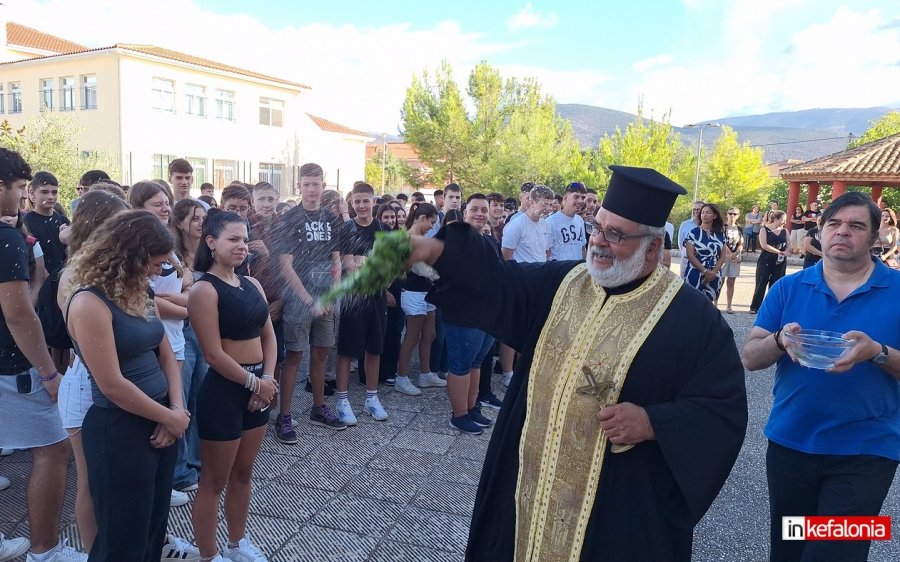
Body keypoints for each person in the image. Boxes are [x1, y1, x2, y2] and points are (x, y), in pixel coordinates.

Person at [406, 165, 747, 561]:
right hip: (529, 485)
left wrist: (655, 423)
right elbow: (500, 285)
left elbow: (722, 410)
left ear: (653, 247)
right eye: (598, 228)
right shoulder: (565, 282)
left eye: (616, 235)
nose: (598, 242)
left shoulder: (692, 319)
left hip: (613, 505)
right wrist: (438, 251)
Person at [742, 192, 900, 562]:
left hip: (868, 450)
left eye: (857, 226)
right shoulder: (788, 289)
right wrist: (781, 340)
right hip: (791, 444)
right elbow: (750, 357)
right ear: (821, 229)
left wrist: (876, 352)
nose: (843, 232)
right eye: (834, 224)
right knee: (790, 550)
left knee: (836, 553)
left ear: (876, 237)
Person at [66, 210, 191, 562]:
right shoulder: (89, 302)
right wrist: (168, 416)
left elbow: (165, 353)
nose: (159, 270)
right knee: (122, 539)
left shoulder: (139, 290)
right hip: (119, 429)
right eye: (155, 262)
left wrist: (176, 409)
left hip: (162, 418)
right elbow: (112, 384)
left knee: (152, 529)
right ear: (130, 255)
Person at [0, 149, 86, 562]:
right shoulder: (6, 237)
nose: (21, 197)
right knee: (54, 449)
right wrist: (50, 374)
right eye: (19, 187)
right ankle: (46, 550)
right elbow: (18, 314)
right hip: (11, 365)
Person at [189, 211, 277, 562]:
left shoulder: (252, 284)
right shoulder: (203, 290)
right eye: (233, 239)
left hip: (259, 391)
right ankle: (209, 556)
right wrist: (257, 383)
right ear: (211, 243)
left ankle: (237, 544)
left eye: (244, 239)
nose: (242, 246)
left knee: (244, 473)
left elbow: (269, 336)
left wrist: (267, 381)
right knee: (214, 481)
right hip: (225, 392)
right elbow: (213, 354)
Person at [55, 191, 129, 555]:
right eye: (116, 225)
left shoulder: (108, 268)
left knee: (115, 480)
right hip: (87, 385)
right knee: (90, 482)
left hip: (108, 378)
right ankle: (91, 552)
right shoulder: (74, 275)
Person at [273, 163, 345, 440]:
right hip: (300, 298)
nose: (312, 189)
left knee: (321, 353)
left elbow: (336, 259)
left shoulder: (331, 218)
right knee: (294, 357)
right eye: (307, 184)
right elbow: (286, 267)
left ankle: (318, 407)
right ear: (299, 186)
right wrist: (309, 300)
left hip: (326, 296)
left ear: (323, 185)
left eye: (317, 184)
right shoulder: (290, 219)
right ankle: (285, 415)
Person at [333, 182, 391, 425]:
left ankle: (371, 397)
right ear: (351, 203)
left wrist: (364, 262)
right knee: (347, 350)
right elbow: (348, 265)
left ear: (373, 202)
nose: (361, 205)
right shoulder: (346, 229)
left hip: (377, 296)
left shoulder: (384, 229)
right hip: (352, 298)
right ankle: (342, 400)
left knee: (375, 348)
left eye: (365, 200)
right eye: (357, 201)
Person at [443, 194, 497, 435]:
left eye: (483, 210)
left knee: (476, 362)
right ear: (465, 213)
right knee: (461, 364)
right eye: (474, 209)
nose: (479, 214)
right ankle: (459, 415)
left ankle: (472, 407)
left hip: (485, 312)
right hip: (462, 314)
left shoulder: (487, 240)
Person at [395, 203, 445, 395]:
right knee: (412, 336)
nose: (433, 226)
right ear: (422, 218)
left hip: (427, 292)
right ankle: (402, 377)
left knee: (430, 334)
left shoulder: (422, 238)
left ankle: (426, 373)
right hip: (413, 291)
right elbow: (415, 268)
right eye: (432, 222)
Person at [25, 171, 72, 374]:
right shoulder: (26, 222)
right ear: (32, 193)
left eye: (54, 192)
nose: (50, 197)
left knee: (64, 340)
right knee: (45, 335)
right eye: (44, 192)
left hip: (63, 284)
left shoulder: (62, 220)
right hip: (41, 286)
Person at [684, 203, 727, 303]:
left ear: (715, 216)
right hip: (695, 271)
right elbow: (690, 255)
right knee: (693, 302)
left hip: (714, 273)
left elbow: (723, 256)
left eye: (708, 212)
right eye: (703, 212)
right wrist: (705, 271)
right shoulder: (693, 232)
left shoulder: (720, 234)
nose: (704, 215)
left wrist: (713, 272)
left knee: (709, 303)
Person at [749, 210, 788, 314]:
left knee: (776, 284)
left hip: (780, 261)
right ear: (776, 219)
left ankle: (772, 308)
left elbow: (789, 245)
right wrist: (779, 252)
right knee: (761, 282)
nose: (784, 222)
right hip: (766, 259)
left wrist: (786, 252)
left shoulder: (785, 231)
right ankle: (755, 307)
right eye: (782, 220)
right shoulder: (764, 230)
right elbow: (764, 245)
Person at [546, 182, 586, 261]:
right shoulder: (550, 222)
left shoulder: (580, 220)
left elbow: (582, 248)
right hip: (558, 270)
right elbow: (546, 252)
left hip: (576, 270)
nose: (581, 201)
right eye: (576, 197)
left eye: (583, 198)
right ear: (565, 198)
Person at [722, 207, 743, 313]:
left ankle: (729, 305)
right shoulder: (722, 227)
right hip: (723, 257)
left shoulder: (739, 228)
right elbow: (721, 241)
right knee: (720, 280)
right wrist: (729, 254)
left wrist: (736, 253)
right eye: (730, 213)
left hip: (735, 257)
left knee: (731, 281)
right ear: (727, 214)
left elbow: (741, 243)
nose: (732, 216)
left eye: (735, 214)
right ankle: (714, 304)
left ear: (738, 215)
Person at [677, 200, 703, 277]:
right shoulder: (685, 224)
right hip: (686, 260)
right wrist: (686, 254)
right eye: (694, 209)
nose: (696, 211)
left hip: (702, 261)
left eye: (698, 209)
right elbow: (680, 241)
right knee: (684, 283)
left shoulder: (709, 225)